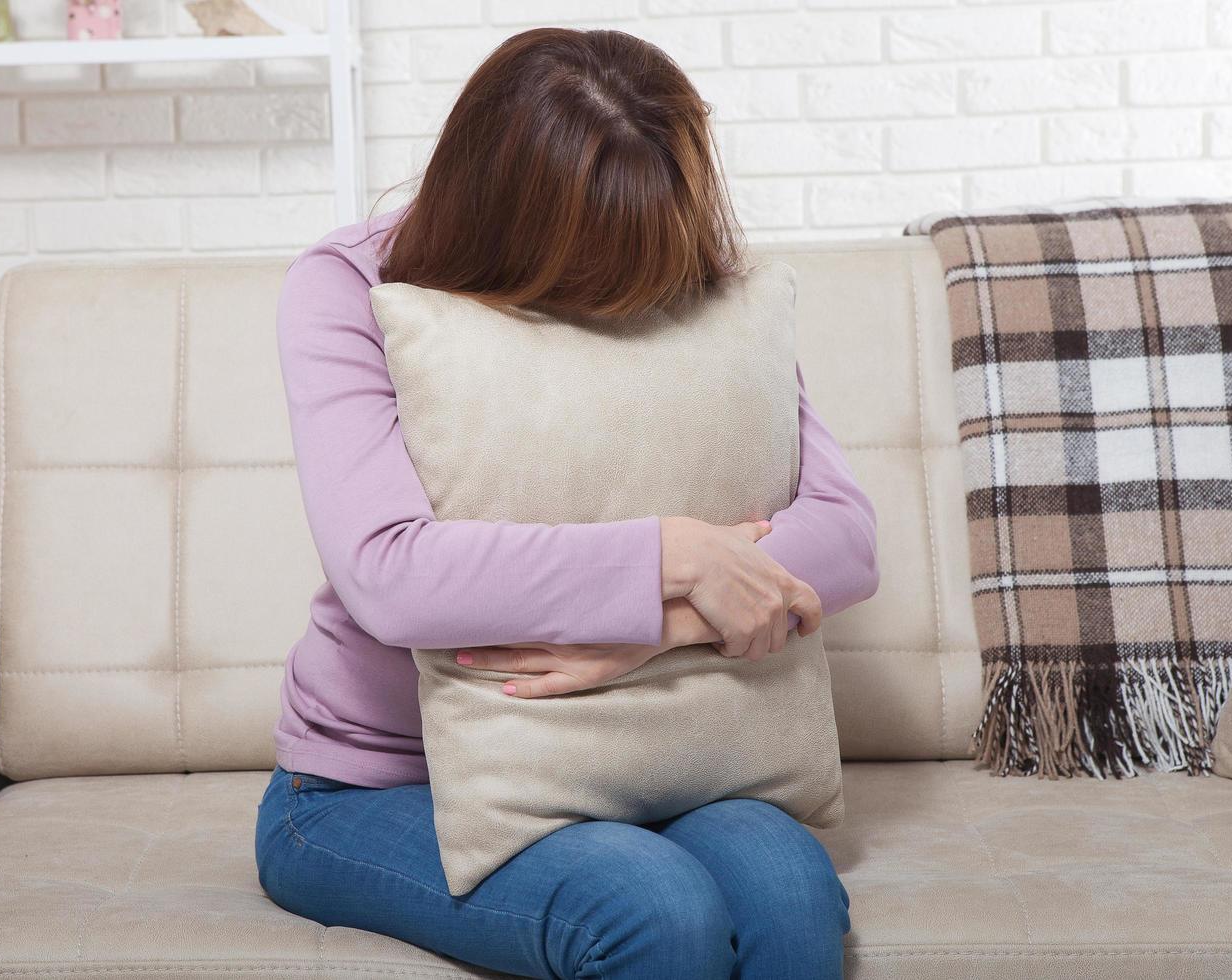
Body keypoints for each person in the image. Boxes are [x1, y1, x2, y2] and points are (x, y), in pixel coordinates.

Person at [256, 27, 879, 980]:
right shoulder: (348, 284)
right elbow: (389, 572)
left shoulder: (690, 275)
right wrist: (674, 552)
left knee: (787, 894)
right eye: (588, 262)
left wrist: (656, 628)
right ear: (501, 213)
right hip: (369, 785)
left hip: (661, 749)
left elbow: (844, 537)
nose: (616, 299)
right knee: (652, 909)